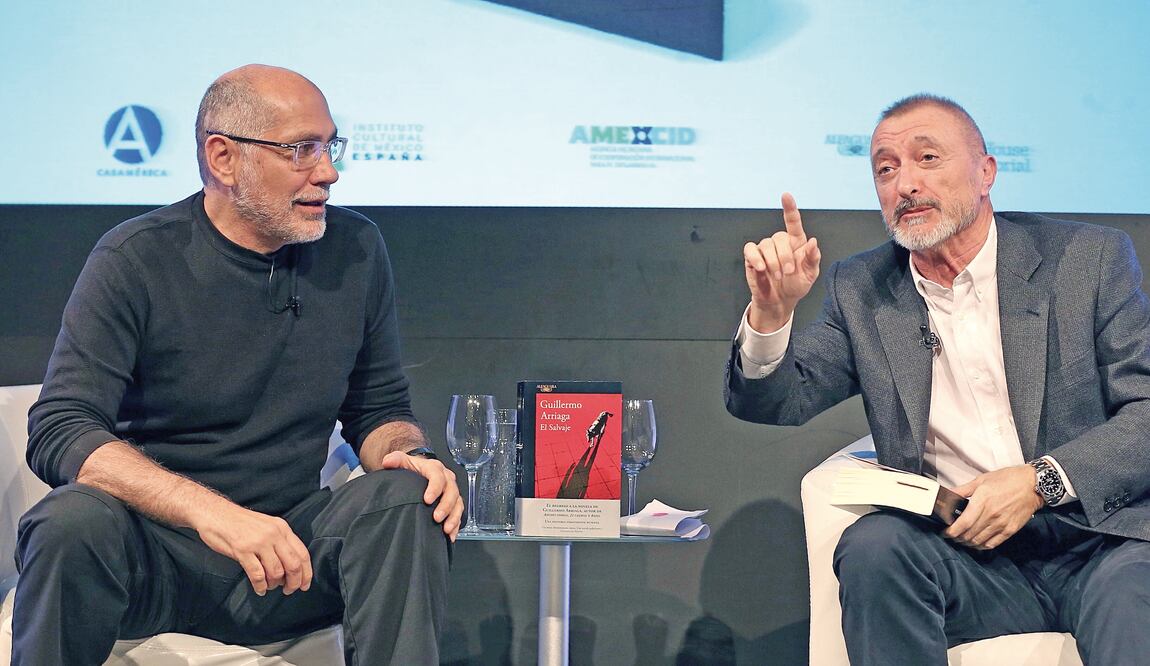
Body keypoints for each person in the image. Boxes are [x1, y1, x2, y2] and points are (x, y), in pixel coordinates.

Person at [15, 64, 462, 665]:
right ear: (223, 158)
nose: (327, 172)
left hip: (289, 561)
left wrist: (408, 451)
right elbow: (61, 427)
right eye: (300, 150)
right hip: (153, 562)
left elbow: (378, 408)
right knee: (69, 522)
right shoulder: (135, 258)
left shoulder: (355, 249)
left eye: (330, 147)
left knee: (408, 498)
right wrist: (215, 515)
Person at [725, 94, 1150, 665]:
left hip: (1099, 546)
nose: (905, 184)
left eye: (927, 158)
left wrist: (1038, 482)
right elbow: (776, 402)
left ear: (986, 173)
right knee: (874, 548)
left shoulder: (1086, 260)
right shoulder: (864, 288)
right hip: (967, 560)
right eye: (886, 169)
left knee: (1132, 596)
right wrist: (771, 316)